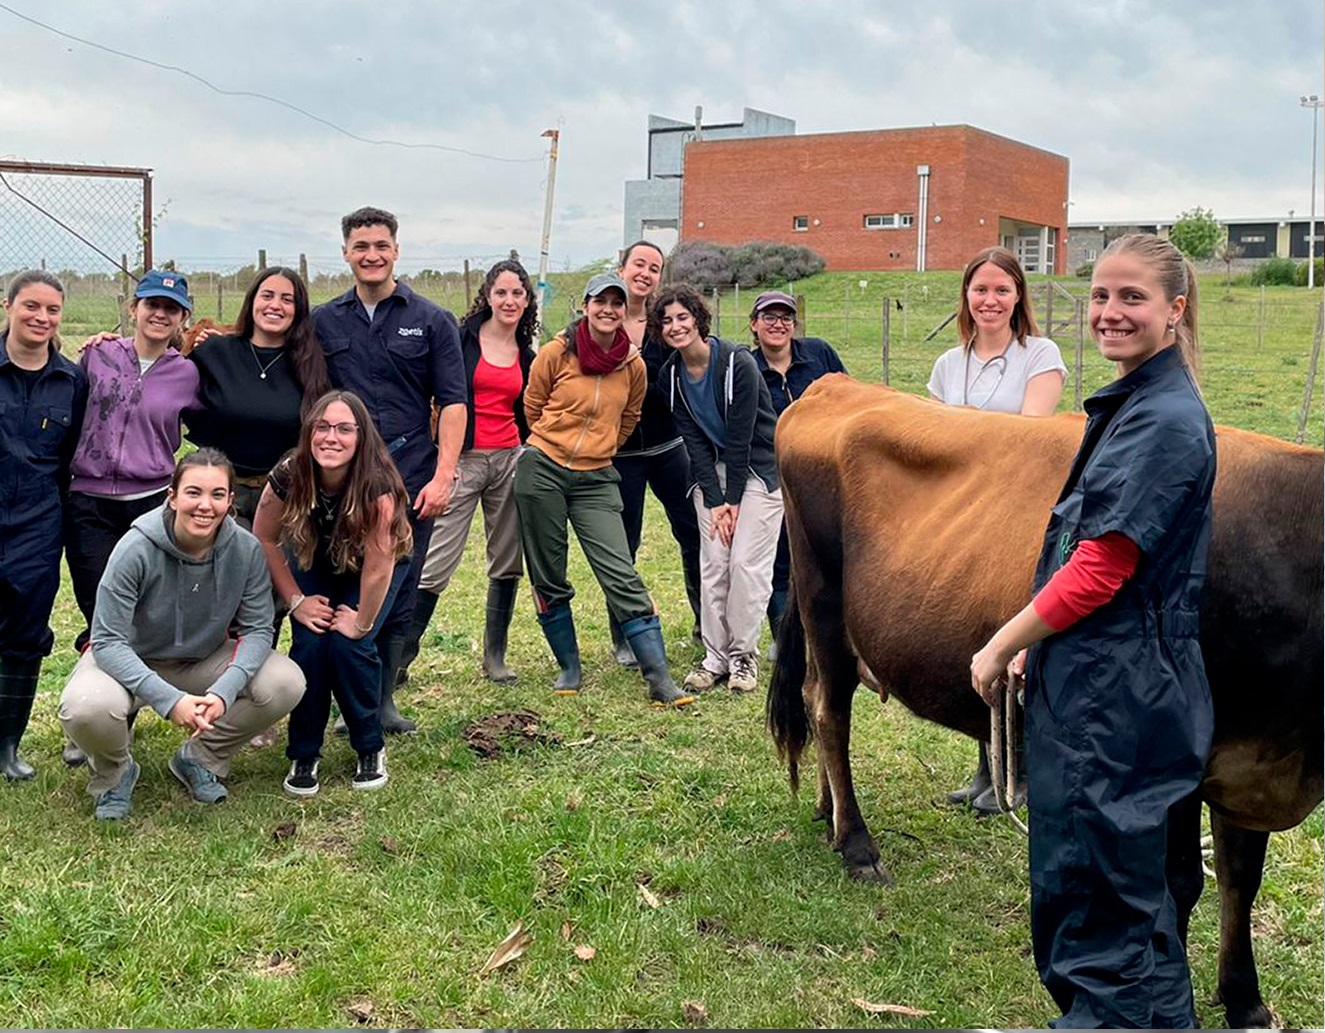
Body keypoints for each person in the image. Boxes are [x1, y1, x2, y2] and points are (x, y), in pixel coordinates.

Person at [970, 233, 1214, 1028]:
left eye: (1131, 298)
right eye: (1101, 296)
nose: (1109, 313)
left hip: (1116, 696)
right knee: (1125, 901)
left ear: (1174, 310)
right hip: (1115, 679)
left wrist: (1005, 639)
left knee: (1103, 902)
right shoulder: (1139, 403)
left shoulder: (1163, 421)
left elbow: (1100, 568)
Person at [58, 449, 306, 819]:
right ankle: (114, 774)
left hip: (202, 660)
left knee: (285, 682)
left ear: (230, 501)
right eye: (193, 493)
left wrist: (223, 692)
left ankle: (201, 757)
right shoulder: (135, 548)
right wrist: (170, 701)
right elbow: (107, 641)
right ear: (172, 496)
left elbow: (257, 629)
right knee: (85, 707)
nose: (205, 505)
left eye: (217, 495)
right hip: (126, 659)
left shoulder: (246, 550)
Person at [313, 206, 467, 735]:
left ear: (396, 250)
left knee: (400, 590)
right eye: (361, 247)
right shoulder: (325, 321)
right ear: (346, 254)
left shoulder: (431, 320)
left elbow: (452, 402)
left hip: (411, 477)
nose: (371, 255)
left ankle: (381, 701)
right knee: (344, 584)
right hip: (344, 480)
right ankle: (343, 698)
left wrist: (444, 474)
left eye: (381, 246)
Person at [929, 246, 1067, 815]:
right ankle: (986, 767)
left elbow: (1030, 438)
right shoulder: (948, 363)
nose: (990, 300)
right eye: (980, 289)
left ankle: (1023, 772)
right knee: (979, 634)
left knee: (1022, 638)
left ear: (1018, 297)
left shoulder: (1040, 354)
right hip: (966, 511)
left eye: (1001, 290)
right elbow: (935, 441)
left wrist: (970, 442)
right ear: (966, 296)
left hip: (1022, 510)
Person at [514, 272, 691, 707]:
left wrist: (603, 445)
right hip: (543, 471)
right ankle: (569, 666)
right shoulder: (556, 352)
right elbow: (532, 405)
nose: (608, 309)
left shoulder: (632, 364)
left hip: (596, 476)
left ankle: (659, 677)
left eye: (617, 302)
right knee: (548, 572)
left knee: (620, 569)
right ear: (586, 306)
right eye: (600, 301)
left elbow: (629, 416)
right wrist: (554, 442)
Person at [254, 391, 415, 795]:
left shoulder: (378, 485)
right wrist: (295, 601)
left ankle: (369, 745)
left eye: (345, 429)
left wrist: (361, 622)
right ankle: (304, 751)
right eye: (322, 427)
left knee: (349, 646)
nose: (331, 437)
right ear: (309, 432)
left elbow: (380, 565)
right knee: (310, 644)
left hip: (376, 567)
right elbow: (264, 538)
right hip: (317, 560)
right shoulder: (290, 473)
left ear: (361, 437)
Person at [398, 260, 536, 686]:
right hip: (461, 460)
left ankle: (495, 655)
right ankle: (402, 654)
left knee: (507, 557)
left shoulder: (527, 354)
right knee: (436, 560)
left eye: (518, 293)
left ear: (527, 300)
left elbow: (528, 410)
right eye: (501, 292)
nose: (509, 301)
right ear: (487, 296)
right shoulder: (460, 340)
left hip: (509, 458)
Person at [653, 285, 782, 695]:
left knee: (745, 565)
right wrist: (715, 500)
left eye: (682, 317)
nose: (675, 327)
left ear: (698, 319)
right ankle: (716, 657)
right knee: (713, 565)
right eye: (667, 321)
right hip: (712, 477)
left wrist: (734, 501)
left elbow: (742, 438)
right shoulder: (669, 376)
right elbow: (692, 442)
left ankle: (744, 657)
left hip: (759, 472)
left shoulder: (737, 363)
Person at [65, 270, 201, 656]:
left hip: (150, 500)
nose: (160, 314)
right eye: (152, 304)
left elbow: (207, 422)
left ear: (183, 318)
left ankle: (143, 679)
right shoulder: (97, 354)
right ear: (134, 308)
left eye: (171, 308)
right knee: (98, 599)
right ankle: (102, 700)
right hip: (88, 500)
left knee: (146, 599)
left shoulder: (187, 373)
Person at [0, 271, 87, 781]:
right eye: (31, 306)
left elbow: (70, 456)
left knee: (26, 631)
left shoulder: (72, 381)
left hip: (37, 522)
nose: (41, 318)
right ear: (9, 305)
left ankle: (7, 746)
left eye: (52, 310)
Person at [608, 240, 703, 665]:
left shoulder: (664, 322)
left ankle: (708, 622)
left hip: (670, 447)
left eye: (654, 268)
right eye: (639, 265)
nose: (645, 274)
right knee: (621, 545)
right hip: (620, 454)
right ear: (622, 267)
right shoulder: (601, 317)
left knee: (694, 532)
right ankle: (625, 636)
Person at [184, 266, 332, 527]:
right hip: (221, 493)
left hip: (285, 493)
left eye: (287, 299)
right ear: (252, 300)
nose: (275, 305)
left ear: (298, 310)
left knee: (279, 567)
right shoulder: (214, 352)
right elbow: (161, 371)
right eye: (267, 296)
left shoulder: (312, 364)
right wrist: (110, 344)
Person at [747, 289, 847, 660]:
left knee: (828, 548)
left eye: (785, 317)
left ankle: (833, 628)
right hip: (773, 473)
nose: (778, 324)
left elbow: (847, 396)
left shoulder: (818, 354)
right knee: (780, 555)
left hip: (823, 469)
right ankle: (784, 634)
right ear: (754, 325)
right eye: (769, 318)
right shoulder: (747, 366)